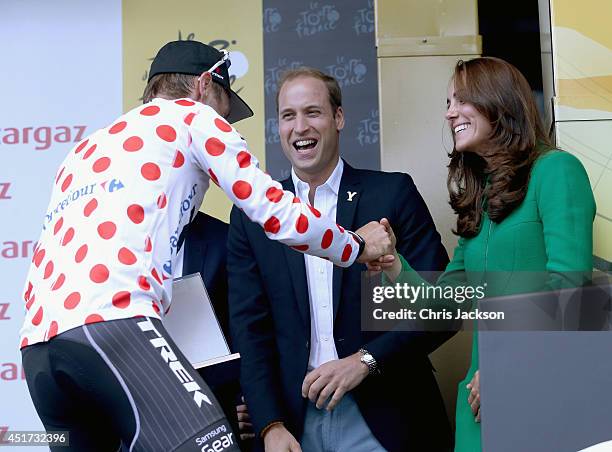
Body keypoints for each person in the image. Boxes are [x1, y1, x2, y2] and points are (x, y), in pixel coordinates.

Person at [19, 41, 392, 452]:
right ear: (201, 86)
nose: (225, 120)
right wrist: (355, 245)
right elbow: (273, 211)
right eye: (224, 108)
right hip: (114, 328)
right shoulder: (192, 116)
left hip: (40, 352)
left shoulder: (86, 148)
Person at [374, 57, 596, 452]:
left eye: (461, 100)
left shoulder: (557, 170)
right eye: (447, 103)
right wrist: (394, 263)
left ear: (498, 100)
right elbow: (442, 307)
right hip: (481, 404)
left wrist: (505, 363)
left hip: (543, 393)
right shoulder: (483, 199)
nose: (449, 113)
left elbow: (568, 287)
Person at [227, 67, 452, 452]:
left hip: (387, 413)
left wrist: (364, 361)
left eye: (313, 112)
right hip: (296, 423)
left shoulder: (392, 193)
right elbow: (250, 330)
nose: (300, 126)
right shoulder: (254, 216)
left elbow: (443, 310)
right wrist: (270, 425)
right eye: (288, 116)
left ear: (339, 118)